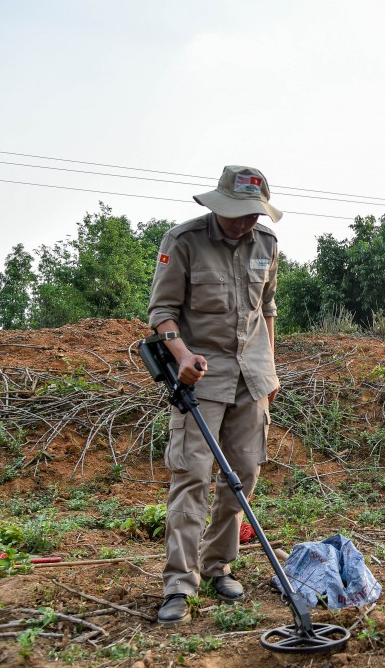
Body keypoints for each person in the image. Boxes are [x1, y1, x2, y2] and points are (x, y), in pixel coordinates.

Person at [148, 165, 283, 624]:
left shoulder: (267, 245)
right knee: (192, 477)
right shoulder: (184, 241)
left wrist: (271, 367)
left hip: (252, 379)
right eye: (237, 214)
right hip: (200, 378)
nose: (244, 223)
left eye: (252, 215)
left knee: (242, 476)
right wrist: (182, 354)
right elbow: (162, 312)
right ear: (218, 204)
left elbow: (267, 309)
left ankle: (217, 565)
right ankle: (178, 586)